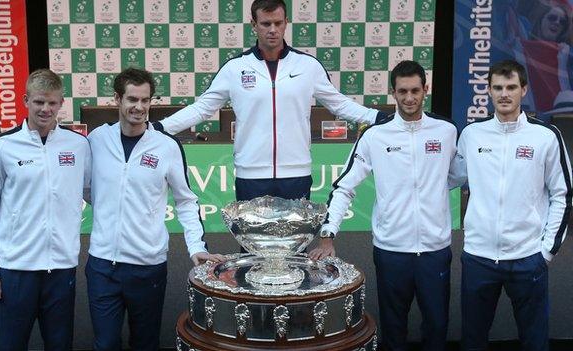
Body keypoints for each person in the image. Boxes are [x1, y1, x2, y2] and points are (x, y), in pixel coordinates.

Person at [157, 0, 384, 201]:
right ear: (254, 25)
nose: (273, 30)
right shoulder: (235, 68)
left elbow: (339, 103)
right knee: (252, 245)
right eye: (266, 24)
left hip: (296, 173)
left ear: (286, 22)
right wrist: (160, 127)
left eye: (278, 23)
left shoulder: (307, 66)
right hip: (251, 174)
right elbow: (202, 109)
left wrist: (377, 117)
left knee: (296, 245)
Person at [309, 60, 458, 351]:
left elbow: (461, 174)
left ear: (425, 90)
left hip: (435, 250)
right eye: (402, 91)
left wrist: (433, 189)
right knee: (393, 330)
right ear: (393, 92)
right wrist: (328, 234)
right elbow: (344, 187)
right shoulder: (375, 135)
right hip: (392, 250)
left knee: (438, 327)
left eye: (415, 90)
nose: (409, 98)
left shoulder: (446, 131)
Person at [86, 67, 225, 350]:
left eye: (145, 100)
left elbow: (186, 201)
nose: (139, 107)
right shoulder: (97, 140)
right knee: (105, 344)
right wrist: (110, 208)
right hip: (102, 265)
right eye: (132, 99)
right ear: (117, 100)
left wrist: (195, 246)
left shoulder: (166, 147)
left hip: (147, 267)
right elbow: (85, 188)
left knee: (146, 343)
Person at [451, 60, 572, 351]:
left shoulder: (545, 136)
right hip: (479, 257)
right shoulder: (471, 135)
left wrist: (546, 251)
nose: (504, 94)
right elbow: (448, 179)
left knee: (534, 341)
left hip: (528, 257)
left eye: (511, 87)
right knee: (473, 341)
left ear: (524, 90)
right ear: (489, 92)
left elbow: (563, 195)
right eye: (498, 88)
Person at [0, 69, 91, 350]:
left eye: (52, 103)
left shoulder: (78, 146)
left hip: (62, 268)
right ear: (26, 100)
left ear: (61, 103)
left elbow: (96, 194)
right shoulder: (2, 146)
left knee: (60, 345)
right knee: (11, 345)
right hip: (17, 268)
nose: (45, 109)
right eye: (39, 102)